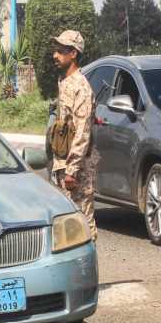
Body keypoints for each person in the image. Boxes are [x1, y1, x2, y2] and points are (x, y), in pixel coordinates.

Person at [49, 30, 98, 240]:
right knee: (65, 226)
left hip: (76, 171)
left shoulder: (81, 88)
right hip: (61, 166)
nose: (55, 55)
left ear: (73, 54)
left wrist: (72, 170)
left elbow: (82, 132)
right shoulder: (64, 82)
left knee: (83, 224)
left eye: (61, 51)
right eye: (56, 50)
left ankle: (89, 271)